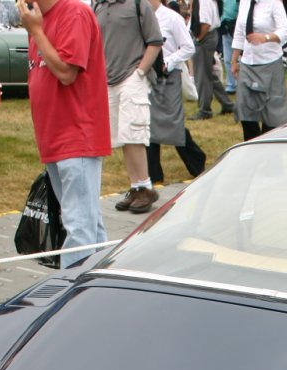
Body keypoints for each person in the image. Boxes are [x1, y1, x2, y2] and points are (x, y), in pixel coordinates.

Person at [20, 0, 111, 268]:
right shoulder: (37, 19)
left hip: (77, 136)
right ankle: (99, 284)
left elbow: (66, 72)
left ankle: (74, 295)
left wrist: (36, 31)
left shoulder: (74, 12)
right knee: (88, 224)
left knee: (79, 226)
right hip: (54, 137)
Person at [95, 0, 164, 213]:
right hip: (109, 79)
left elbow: (155, 41)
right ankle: (136, 187)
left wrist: (140, 71)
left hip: (131, 77)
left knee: (134, 134)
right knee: (123, 136)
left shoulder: (138, 4)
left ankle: (145, 186)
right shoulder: (98, 6)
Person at [147, 0, 207, 179]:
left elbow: (188, 47)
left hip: (168, 77)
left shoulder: (172, 18)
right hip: (147, 76)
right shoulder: (141, 17)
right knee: (148, 125)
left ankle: (196, 161)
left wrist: (169, 62)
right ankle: (154, 175)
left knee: (172, 124)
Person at [231, 0, 287, 139]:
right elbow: (239, 32)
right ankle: (251, 145)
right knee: (245, 111)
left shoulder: (274, 3)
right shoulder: (244, 3)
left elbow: (285, 31)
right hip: (247, 62)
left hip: (270, 62)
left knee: (271, 114)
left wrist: (266, 37)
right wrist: (234, 60)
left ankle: (267, 146)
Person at [192, 0, 236, 118]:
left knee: (202, 75)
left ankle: (204, 110)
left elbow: (206, 24)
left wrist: (198, 39)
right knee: (209, 74)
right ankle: (227, 104)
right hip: (209, 36)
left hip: (205, 37)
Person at [221, 0, 239, 95]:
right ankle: (231, 85)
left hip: (238, 27)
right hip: (225, 27)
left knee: (241, 58)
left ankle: (240, 84)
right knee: (228, 58)